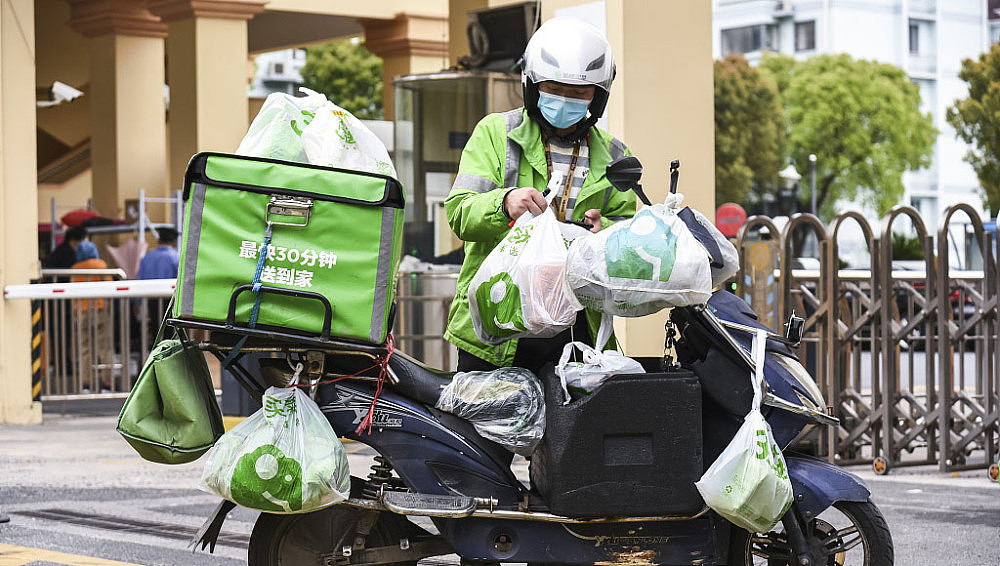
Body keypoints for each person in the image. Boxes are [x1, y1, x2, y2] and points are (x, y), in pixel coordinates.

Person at [444, 17, 637, 375]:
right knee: (489, 428)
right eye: (554, 88)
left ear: (599, 96)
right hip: (497, 323)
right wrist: (504, 204)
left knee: (576, 431)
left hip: (577, 330)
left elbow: (627, 233)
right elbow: (459, 212)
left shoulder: (614, 155)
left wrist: (605, 232)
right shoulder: (496, 133)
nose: (565, 99)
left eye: (579, 93)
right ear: (532, 86)